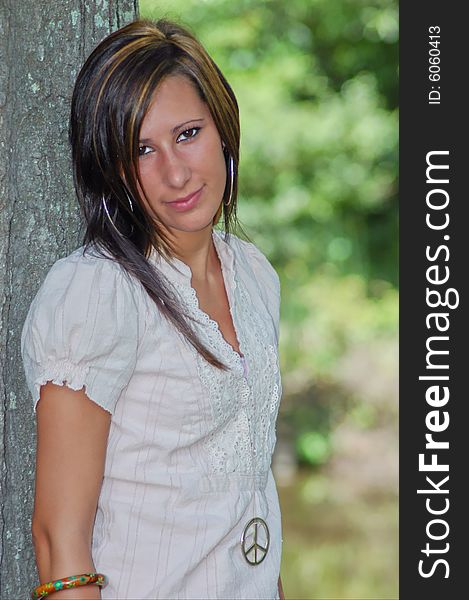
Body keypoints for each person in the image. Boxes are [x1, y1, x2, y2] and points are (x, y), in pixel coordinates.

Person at [21, 18, 285, 600]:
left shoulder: (255, 277)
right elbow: (58, 542)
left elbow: (253, 495)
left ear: (223, 129)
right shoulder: (94, 294)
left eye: (188, 133)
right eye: (142, 149)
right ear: (111, 167)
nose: (175, 171)